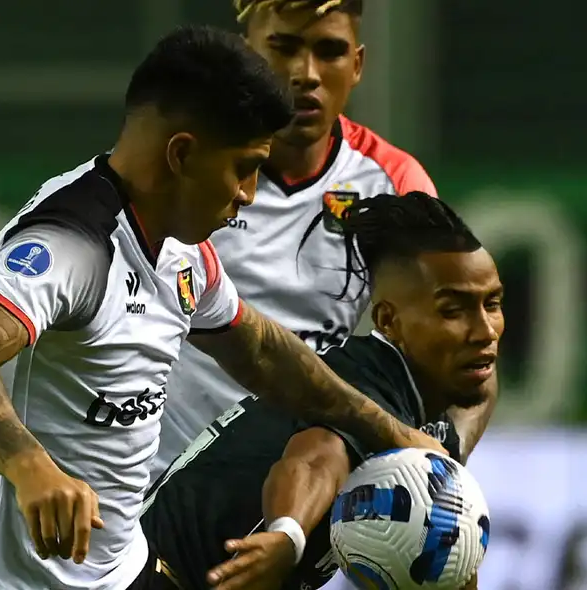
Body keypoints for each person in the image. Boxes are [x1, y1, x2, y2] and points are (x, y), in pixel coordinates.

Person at [0, 25, 446, 590]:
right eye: (243, 167)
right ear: (182, 154)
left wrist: (392, 433)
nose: (247, 193)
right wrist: (29, 465)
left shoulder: (182, 251)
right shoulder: (72, 244)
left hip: (120, 569)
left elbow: (265, 353)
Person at [153, 0, 496, 480]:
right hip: (159, 488)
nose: (305, 74)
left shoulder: (393, 184)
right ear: (243, 54)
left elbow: (467, 351)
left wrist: (444, 462)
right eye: (284, 47)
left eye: (329, 51)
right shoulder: (182, 167)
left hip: (311, 488)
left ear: (357, 65)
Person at [142, 193, 503, 590]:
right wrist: (288, 535)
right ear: (389, 320)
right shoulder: (364, 384)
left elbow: (481, 397)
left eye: (493, 304)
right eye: (453, 311)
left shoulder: (437, 396)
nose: (485, 330)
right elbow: (317, 457)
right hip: (155, 575)